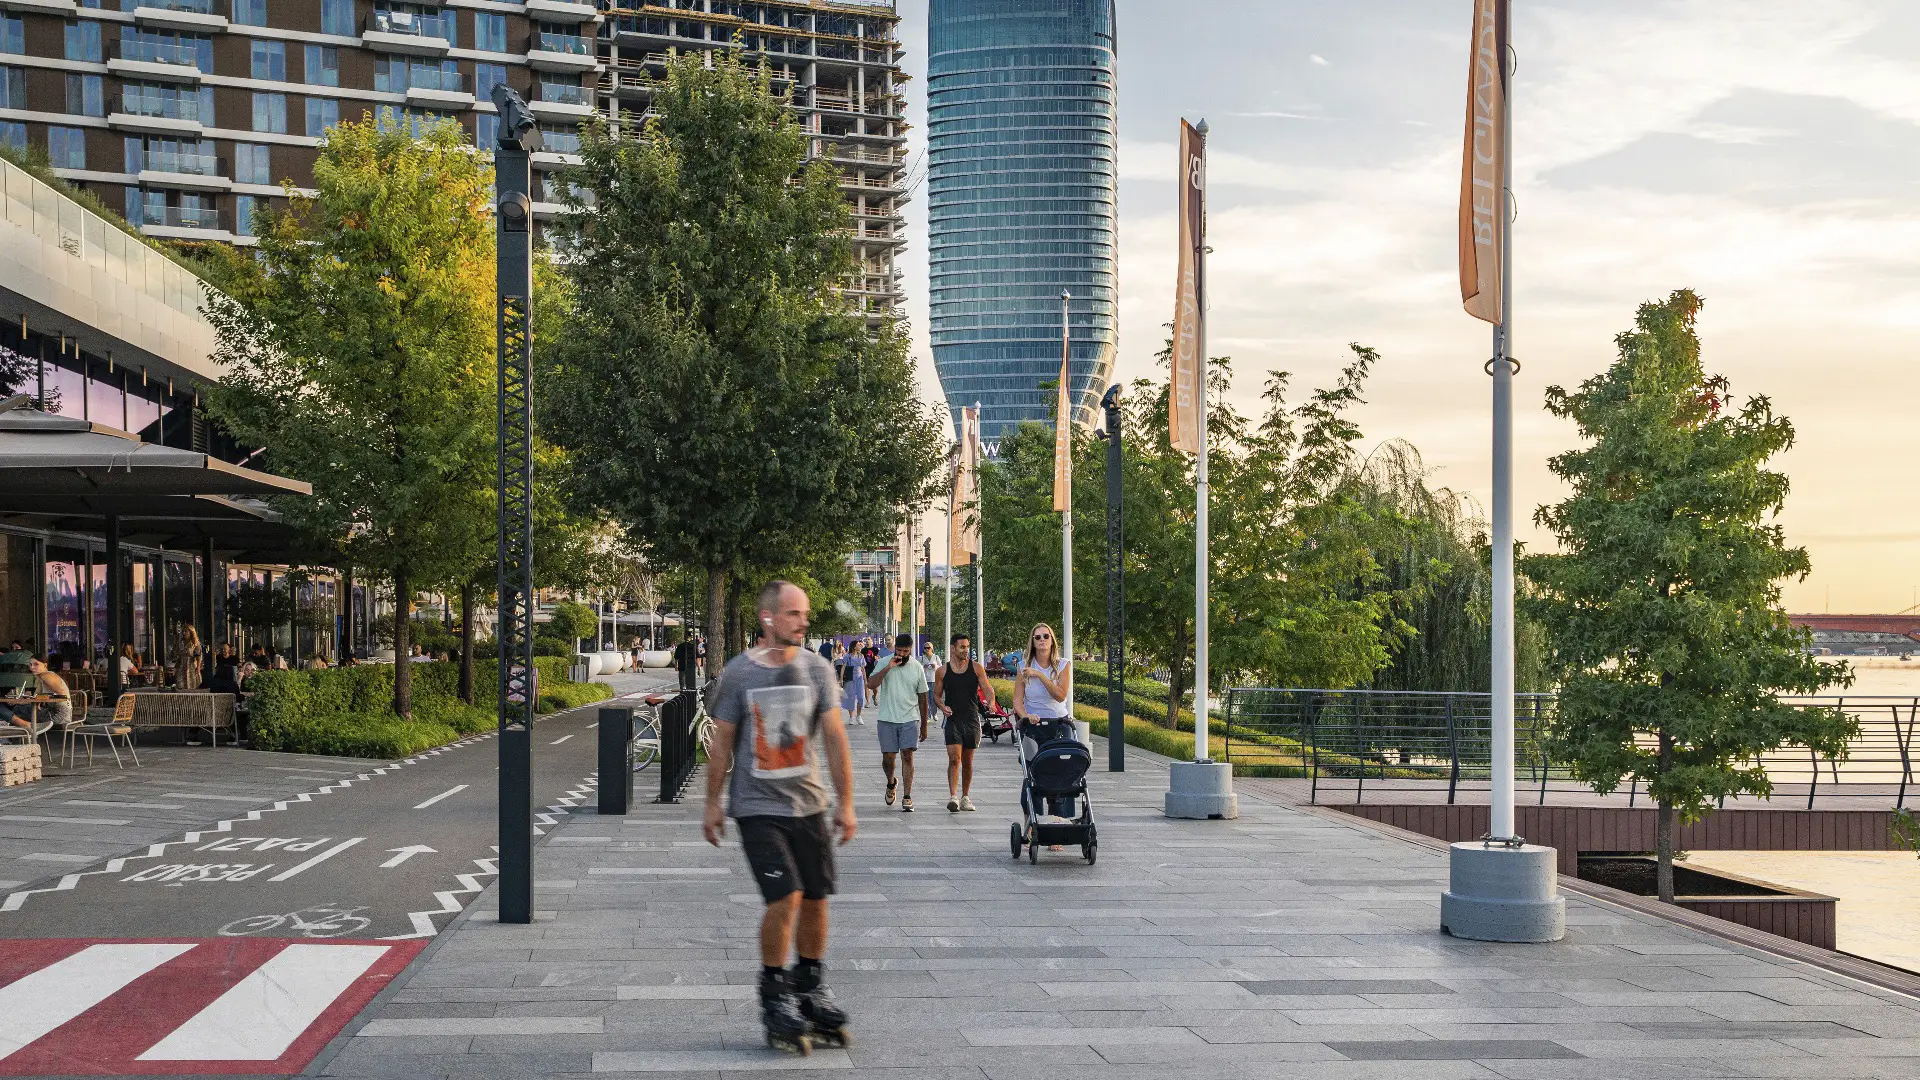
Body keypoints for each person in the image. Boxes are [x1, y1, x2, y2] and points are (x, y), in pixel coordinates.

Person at [703, 581, 855, 1055]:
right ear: (768, 619)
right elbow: (722, 743)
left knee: (816, 897)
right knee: (786, 894)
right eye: (793, 614)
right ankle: (774, 995)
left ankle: (809, 987)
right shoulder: (738, 674)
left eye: (805, 613)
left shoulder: (817, 670)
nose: (803, 621)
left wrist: (846, 802)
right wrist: (712, 803)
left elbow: (834, 739)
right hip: (757, 808)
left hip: (809, 805)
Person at [869, 632, 929, 812]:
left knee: (907, 755)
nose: (901, 654)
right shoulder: (884, 662)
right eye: (899, 650)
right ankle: (891, 782)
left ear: (910, 650)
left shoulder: (917, 667)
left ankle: (907, 796)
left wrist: (924, 725)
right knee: (888, 758)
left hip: (910, 718)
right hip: (887, 718)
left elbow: (923, 697)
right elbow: (871, 684)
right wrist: (888, 668)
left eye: (905, 651)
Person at [932, 632, 990, 812]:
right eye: (962, 647)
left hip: (972, 719)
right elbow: (936, 695)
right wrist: (942, 706)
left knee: (967, 761)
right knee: (954, 759)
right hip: (953, 719)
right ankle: (953, 797)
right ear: (953, 648)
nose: (966, 650)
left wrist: (992, 701)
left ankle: (965, 796)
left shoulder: (977, 668)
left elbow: (987, 688)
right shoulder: (942, 671)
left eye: (967, 647)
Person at [837, 638, 866, 727]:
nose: (860, 645)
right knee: (851, 698)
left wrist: (865, 680)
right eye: (858, 644)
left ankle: (859, 716)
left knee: (861, 697)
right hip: (850, 679)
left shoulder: (861, 656)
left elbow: (863, 668)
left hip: (859, 678)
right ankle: (851, 717)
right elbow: (843, 668)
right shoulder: (847, 656)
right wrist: (841, 679)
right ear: (854, 647)